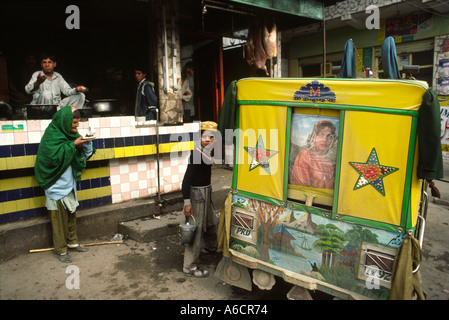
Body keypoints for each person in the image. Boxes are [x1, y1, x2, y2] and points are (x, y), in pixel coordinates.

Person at [34, 106, 94, 262]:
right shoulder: (51, 137)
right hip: (55, 186)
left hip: (69, 185)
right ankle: (60, 250)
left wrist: (86, 143)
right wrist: (73, 145)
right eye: (74, 123)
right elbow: (50, 159)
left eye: (78, 123)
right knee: (58, 220)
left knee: (71, 215)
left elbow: (82, 157)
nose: (77, 126)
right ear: (65, 121)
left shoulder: (70, 135)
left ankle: (72, 242)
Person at [181, 121, 219, 277]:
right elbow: (186, 181)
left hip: (207, 192)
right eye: (205, 136)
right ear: (199, 137)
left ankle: (210, 248)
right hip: (197, 195)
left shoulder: (207, 152)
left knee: (212, 223)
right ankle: (189, 266)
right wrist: (187, 202)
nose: (208, 139)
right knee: (196, 230)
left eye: (212, 137)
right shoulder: (196, 154)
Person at [290, 120, 337, 189]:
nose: (325, 140)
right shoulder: (305, 155)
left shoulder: (328, 162)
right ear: (314, 137)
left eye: (329, 136)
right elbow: (301, 187)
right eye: (321, 135)